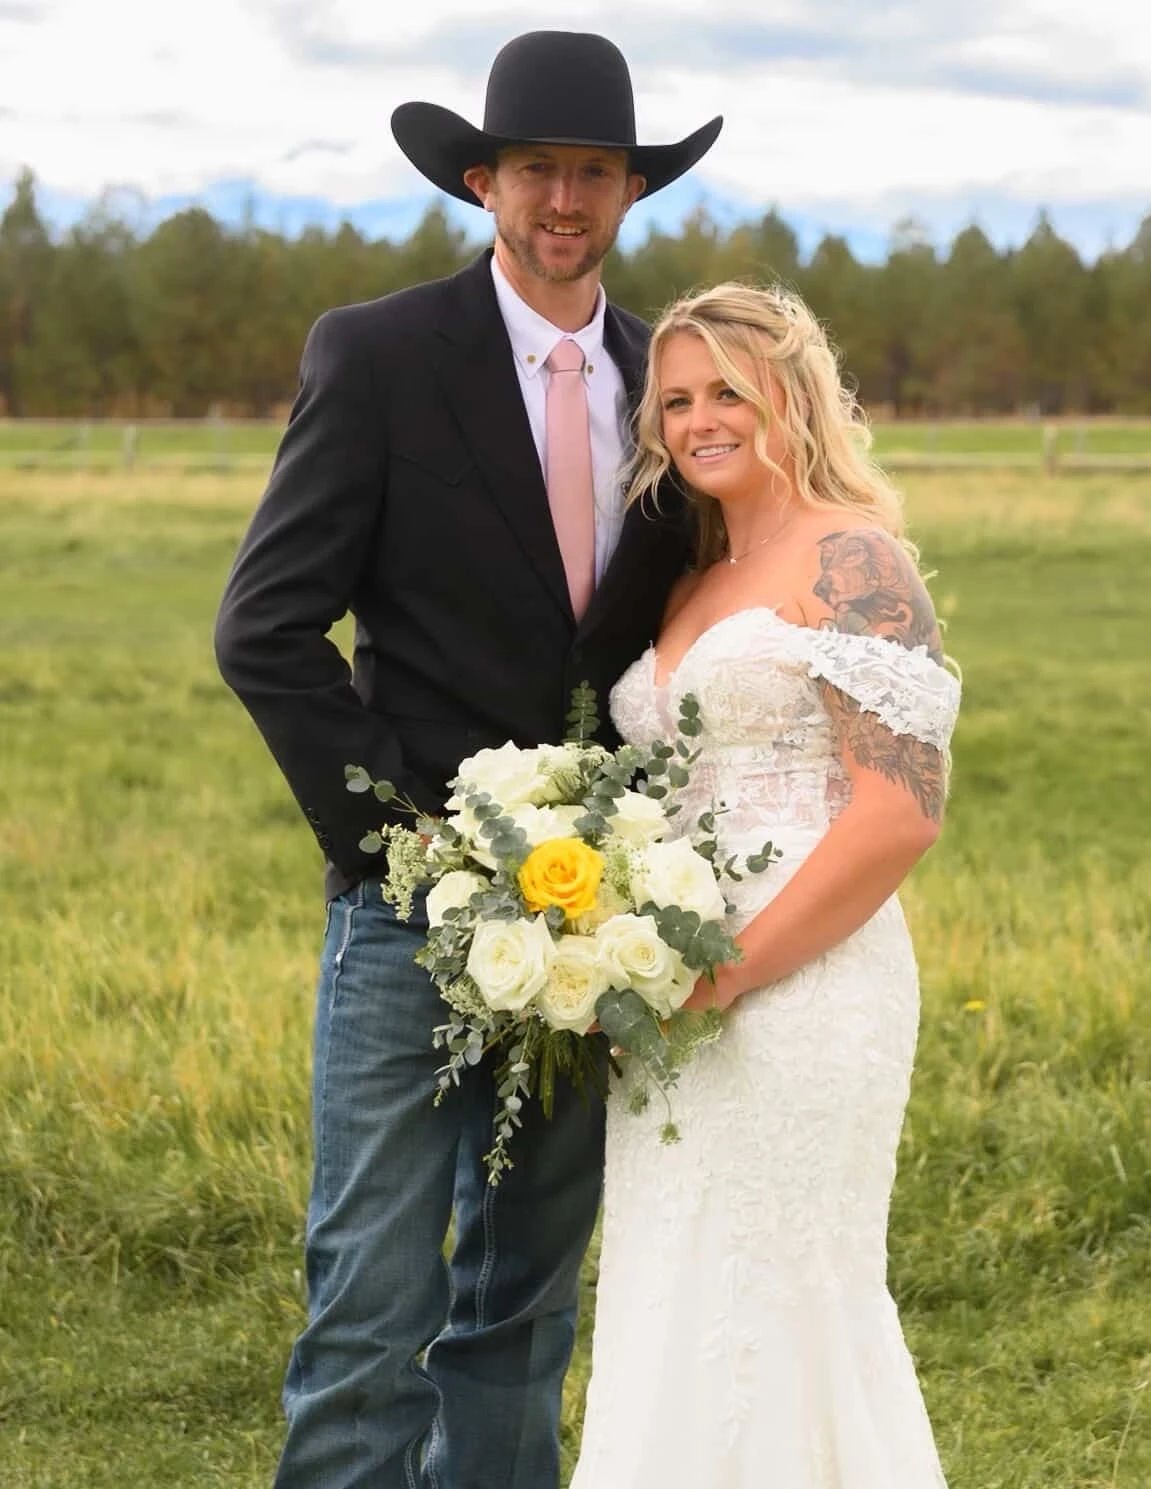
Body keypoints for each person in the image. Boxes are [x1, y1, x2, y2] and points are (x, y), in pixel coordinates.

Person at [213, 30, 721, 1489]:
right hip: (407, 913)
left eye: (595, 172)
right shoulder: (376, 354)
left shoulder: (668, 384)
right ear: (481, 182)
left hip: (597, 923)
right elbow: (264, 629)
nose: (565, 199)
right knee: (371, 1305)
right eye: (536, 169)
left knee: (521, 1307)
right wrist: (407, 847)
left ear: (631, 190)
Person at [571, 283, 962, 1488]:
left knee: (787, 1286)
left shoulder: (852, 557)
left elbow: (898, 811)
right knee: (673, 1282)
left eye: (727, 393)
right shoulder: (690, 577)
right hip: (671, 986)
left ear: (790, 396)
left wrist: (726, 975)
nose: (699, 421)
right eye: (676, 400)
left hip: (803, 985)